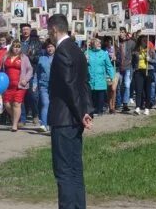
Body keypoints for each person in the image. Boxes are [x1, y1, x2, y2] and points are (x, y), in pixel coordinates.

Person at [46, 14, 91, 209]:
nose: (48, 36)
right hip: (75, 118)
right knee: (75, 170)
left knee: (64, 171)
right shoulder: (77, 50)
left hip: (64, 118)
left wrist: (82, 112)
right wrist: (87, 111)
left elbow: (70, 85)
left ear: (54, 30)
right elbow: (84, 84)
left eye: (49, 31)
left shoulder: (62, 51)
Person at [2, 39, 33, 131]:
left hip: (20, 85)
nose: (16, 49)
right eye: (15, 47)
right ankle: (15, 117)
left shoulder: (24, 57)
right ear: (12, 47)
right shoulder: (6, 56)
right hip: (7, 85)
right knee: (6, 104)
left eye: (18, 47)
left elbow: (30, 70)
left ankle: (14, 125)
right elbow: (1, 69)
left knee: (16, 104)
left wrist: (26, 79)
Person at [85, 37, 115, 116]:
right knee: (92, 96)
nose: (99, 44)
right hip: (90, 79)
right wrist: (85, 60)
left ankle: (100, 110)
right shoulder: (87, 53)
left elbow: (109, 66)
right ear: (92, 44)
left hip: (101, 79)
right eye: (97, 43)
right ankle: (92, 110)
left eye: (99, 43)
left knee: (100, 95)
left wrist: (112, 76)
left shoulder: (104, 53)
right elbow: (81, 66)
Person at [19, 24, 42, 126]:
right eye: (23, 29)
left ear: (30, 31)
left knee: (32, 95)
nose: (25, 31)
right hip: (20, 73)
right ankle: (22, 119)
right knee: (22, 97)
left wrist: (30, 56)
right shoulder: (18, 43)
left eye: (27, 29)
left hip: (31, 72)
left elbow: (38, 57)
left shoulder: (35, 43)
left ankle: (35, 114)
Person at [132, 35, 156, 116]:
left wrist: (149, 59)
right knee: (138, 90)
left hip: (148, 70)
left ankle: (146, 108)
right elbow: (133, 61)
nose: (145, 41)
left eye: (146, 40)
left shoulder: (150, 50)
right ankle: (137, 107)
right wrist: (134, 69)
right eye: (143, 40)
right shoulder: (136, 50)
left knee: (147, 90)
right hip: (138, 71)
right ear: (140, 41)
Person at [35, 39, 55, 132]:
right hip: (44, 85)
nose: (50, 49)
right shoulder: (42, 58)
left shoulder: (59, 57)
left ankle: (52, 124)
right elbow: (37, 72)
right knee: (45, 103)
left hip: (56, 85)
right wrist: (35, 83)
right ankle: (43, 124)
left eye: (51, 47)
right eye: (48, 47)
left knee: (53, 105)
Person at [115, 28, 134, 112]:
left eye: (123, 32)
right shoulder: (116, 43)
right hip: (118, 67)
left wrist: (132, 61)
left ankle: (125, 104)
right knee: (118, 86)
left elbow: (135, 53)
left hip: (127, 67)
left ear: (126, 33)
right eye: (120, 32)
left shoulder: (131, 43)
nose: (121, 34)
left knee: (126, 85)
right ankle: (118, 103)